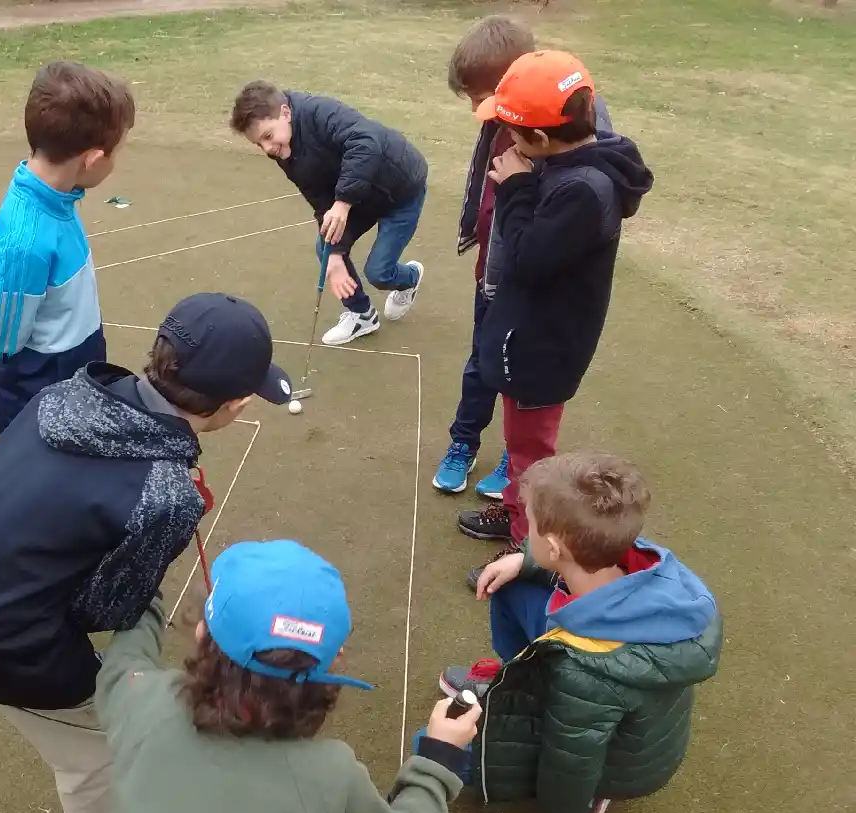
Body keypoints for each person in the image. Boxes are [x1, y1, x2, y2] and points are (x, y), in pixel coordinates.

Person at [0, 292, 294, 813]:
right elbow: (106, 608)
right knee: (100, 752)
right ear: (235, 405)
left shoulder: (71, 391)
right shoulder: (164, 494)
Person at [80, 539, 482, 813]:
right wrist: (439, 757)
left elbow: (123, 664)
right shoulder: (327, 779)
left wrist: (146, 590)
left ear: (203, 634)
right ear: (333, 663)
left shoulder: (143, 698)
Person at [438, 451, 722, 813]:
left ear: (554, 548)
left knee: (435, 745)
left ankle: (588, 802)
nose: (526, 531)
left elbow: (572, 759)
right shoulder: (640, 561)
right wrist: (524, 562)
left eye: (532, 526)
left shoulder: (585, 672)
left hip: (616, 767)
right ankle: (517, 686)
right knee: (514, 584)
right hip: (596, 699)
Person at [452, 51, 652, 586]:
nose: (508, 143)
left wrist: (515, 186)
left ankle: (531, 546)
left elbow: (526, 259)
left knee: (529, 452)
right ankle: (520, 516)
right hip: (532, 336)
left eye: (513, 133)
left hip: (543, 348)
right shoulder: (571, 169)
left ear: (540, 140)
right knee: (523, 445)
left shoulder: (582, 190)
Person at [435, 18, 615, 501]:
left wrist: (516, 186)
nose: (479, 110)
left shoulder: (569, 143)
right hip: (496, 273)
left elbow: (539, 247)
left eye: (482, 97)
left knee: (522, 395)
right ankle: (464, 443)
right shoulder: (508, 119)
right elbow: (490, 184)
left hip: (530, 298)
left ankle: (517, 490)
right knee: (482, 364)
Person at [0, 60, 133, 434]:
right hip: (42, 384)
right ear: (92, 159)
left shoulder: (60, 195)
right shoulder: (25, 243)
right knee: (43, 476)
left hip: (77, 355)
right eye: (116, 152)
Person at [229, 80, 428, 347]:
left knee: (379, 273)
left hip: (400, 191)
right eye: (258, 144)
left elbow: (365, 142)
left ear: (285, 113)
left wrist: (343, 203)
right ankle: (362, 315)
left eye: (267, 136)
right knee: (326, 247)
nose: (267, 149)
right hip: (359, 195)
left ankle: (410, 278)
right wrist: (334, 253)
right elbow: (319, 198)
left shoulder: (321, 112)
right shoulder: (283, 149)